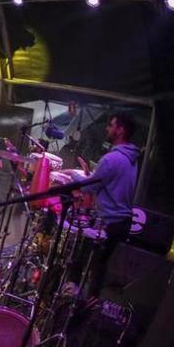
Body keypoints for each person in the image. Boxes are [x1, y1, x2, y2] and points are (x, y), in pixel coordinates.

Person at [68, 113, 139, 301]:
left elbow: (89, 187)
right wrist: (90, 174)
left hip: (109, 220)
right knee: (98, 266)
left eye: (111, 125)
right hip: (122, 222)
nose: (107, 128)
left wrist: (71, 176)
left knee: (81, 259)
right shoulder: (131, 158)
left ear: (120, 130)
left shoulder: (112, 158)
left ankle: (74, 303)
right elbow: (110, 182)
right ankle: (88, 304)